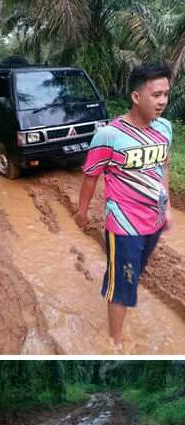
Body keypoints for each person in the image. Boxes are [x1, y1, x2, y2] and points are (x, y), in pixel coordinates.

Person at [75, 62, 173, 352]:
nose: (163, 101)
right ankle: (115, 342)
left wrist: (165, 205)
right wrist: (82, 213)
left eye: (166, 94)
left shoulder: (165, 128)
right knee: (124, 284)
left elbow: (163, 166)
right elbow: (90, 176)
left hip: (153, 221)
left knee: (132, 273)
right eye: (156, 95)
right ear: (136, 96)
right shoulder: (109, 136)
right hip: (124, 225)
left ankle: (118, 286)